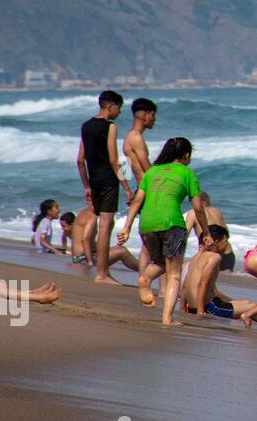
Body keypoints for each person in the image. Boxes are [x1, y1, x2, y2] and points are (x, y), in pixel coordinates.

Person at [117, 137, 212, 326]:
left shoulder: (152, 172)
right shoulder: (187, 173)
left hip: (146, 224)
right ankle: (167, 318)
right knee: (174, 273)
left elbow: (137, 201)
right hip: (172, 223)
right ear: (186, 155)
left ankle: (146, 277)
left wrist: (126, 228)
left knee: (161, 262)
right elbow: (198, 208)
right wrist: (206, 233)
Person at [77, 89, 133, 285]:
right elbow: (114, 160)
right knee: (105, 228)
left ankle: (101, 272)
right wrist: (126, 186)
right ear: (111, 106)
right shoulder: (110, 126)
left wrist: (86, 186)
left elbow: (80, 160)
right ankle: (102, 274)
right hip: (109, 181)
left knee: (102, 225)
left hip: (94, 182)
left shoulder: (86, 126)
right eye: (119, 108)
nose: (119, 112)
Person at [181, 225, 257, 323]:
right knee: (252, 308)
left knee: (247, 303)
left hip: (192, 307)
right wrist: (200, 311)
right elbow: (203, 284)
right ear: (217, 242)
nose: (227, 245)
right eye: (225, 241)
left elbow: (185, 285)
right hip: (209, 308)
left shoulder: (196, 256)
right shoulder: (214, 257)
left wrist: (182, 308)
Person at [121, 96, 160, 284]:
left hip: (140, 190)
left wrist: (129, 191)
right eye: (153, 115)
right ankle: (145, 280)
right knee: (153, 241)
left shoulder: (129, 136)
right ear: (144, 115)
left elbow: (124, 168)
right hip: (148, 191)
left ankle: (144, 279)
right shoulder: (136, 137)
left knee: (147, 242)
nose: (154, 119)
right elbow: (147, 168)